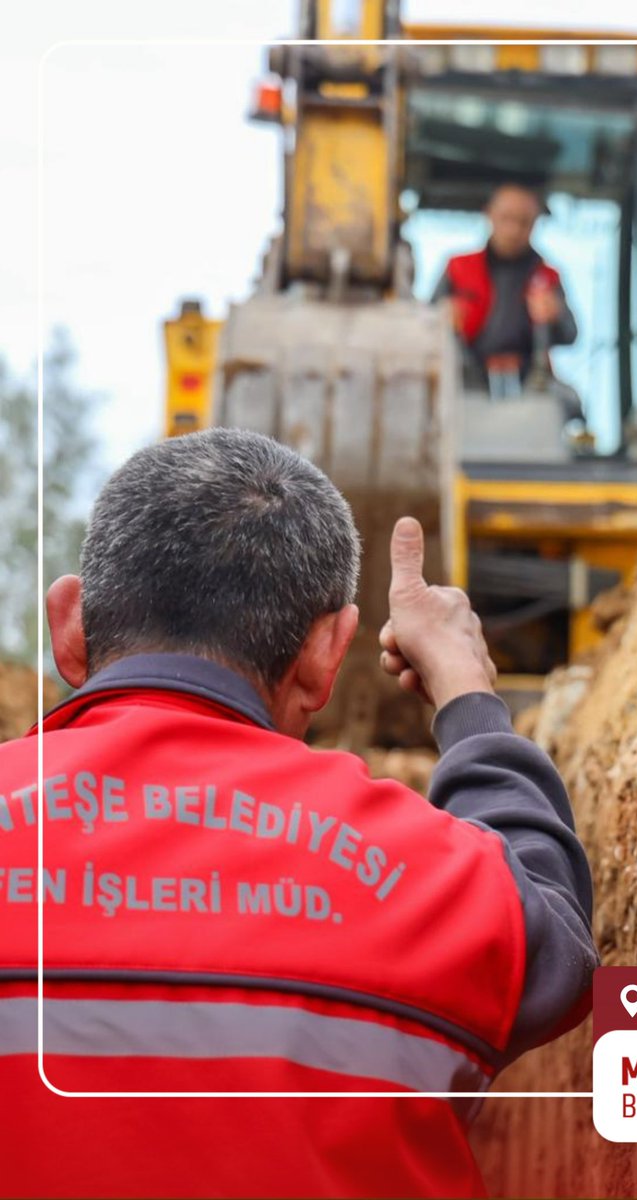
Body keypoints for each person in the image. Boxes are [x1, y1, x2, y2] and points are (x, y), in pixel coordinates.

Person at [0, 428, 598, 1200]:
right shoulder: (420, 875)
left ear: (69, 625)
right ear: (327, 656)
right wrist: (466, 693)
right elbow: (554, 934)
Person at [432, 183, 578, 392]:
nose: (514, 230)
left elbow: (571, 335)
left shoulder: (547, 277)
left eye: (524, 222)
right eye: (506, 219)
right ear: (489, 215)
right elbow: (425, 326)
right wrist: (443, 316)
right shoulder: (458, 268)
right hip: (467, 384)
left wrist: (556, 315)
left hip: (528, 386)